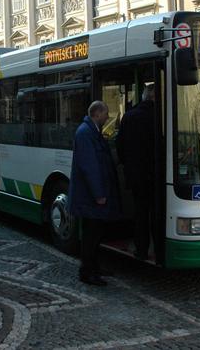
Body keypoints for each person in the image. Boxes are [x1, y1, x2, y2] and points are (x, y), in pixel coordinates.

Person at [68, 101, 122, 286]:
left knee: (96, 235)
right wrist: (99, 194)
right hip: (89, 198)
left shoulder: (91, 131)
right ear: (97, 113)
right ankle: (87, 272)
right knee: (91, 237)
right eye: (106, 114)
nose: (107, 117)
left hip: (92, 197)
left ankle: (95, 267)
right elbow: (89, 167)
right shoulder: (85, 133)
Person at [117, 84, 156, 261]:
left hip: (135, 174)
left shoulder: (129, 116)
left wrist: (128, 165)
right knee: (156, 213)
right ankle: (159, 249)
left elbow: (120, 146)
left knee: (140, 212)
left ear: (143, 97)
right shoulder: (161, 115)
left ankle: (141, 249)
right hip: (157, 175)